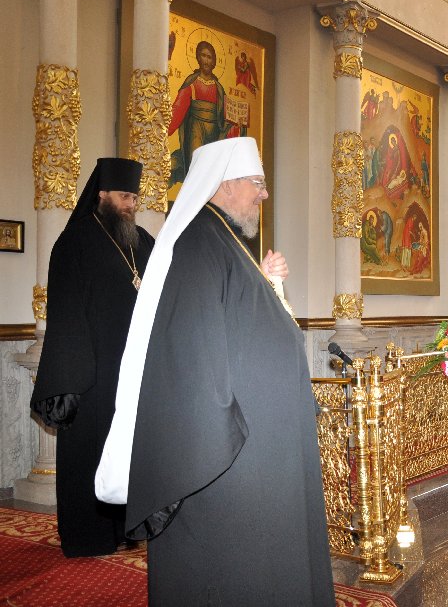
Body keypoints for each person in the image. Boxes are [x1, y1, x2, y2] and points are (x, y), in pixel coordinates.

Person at [94, 138, 334, 605]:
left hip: (261, 445)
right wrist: (225, 438)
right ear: (225, 184)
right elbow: (192, 357)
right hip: (233, 456)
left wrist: (267, 284)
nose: (264, 194)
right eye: (257, 183)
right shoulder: (199, 243)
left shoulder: (223, 240)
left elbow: (240, 321)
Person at [30, 158, 153, 558]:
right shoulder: (75, 241)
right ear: (102, 194)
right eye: (124, 196)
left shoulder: (143, 241)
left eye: (134, 197)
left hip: (133, 370)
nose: (131, 204)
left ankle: (127, 528)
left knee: (129, 450)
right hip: (92, 371)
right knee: (90, 450)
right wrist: (71, 375)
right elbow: (65, 311)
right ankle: (87, 535)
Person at [168, 40, 240, 186]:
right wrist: (162, 131)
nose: (206, 60)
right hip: (196, 130)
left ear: (214, 62)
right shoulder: (192, 83)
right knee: (197, 168)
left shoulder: (218, 88)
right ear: (198, 58)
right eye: (203, 56)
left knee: (211, 171)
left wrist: (237, 122)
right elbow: (178, 109)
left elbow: (226, 115)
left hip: (213, 133)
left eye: (209, 57)